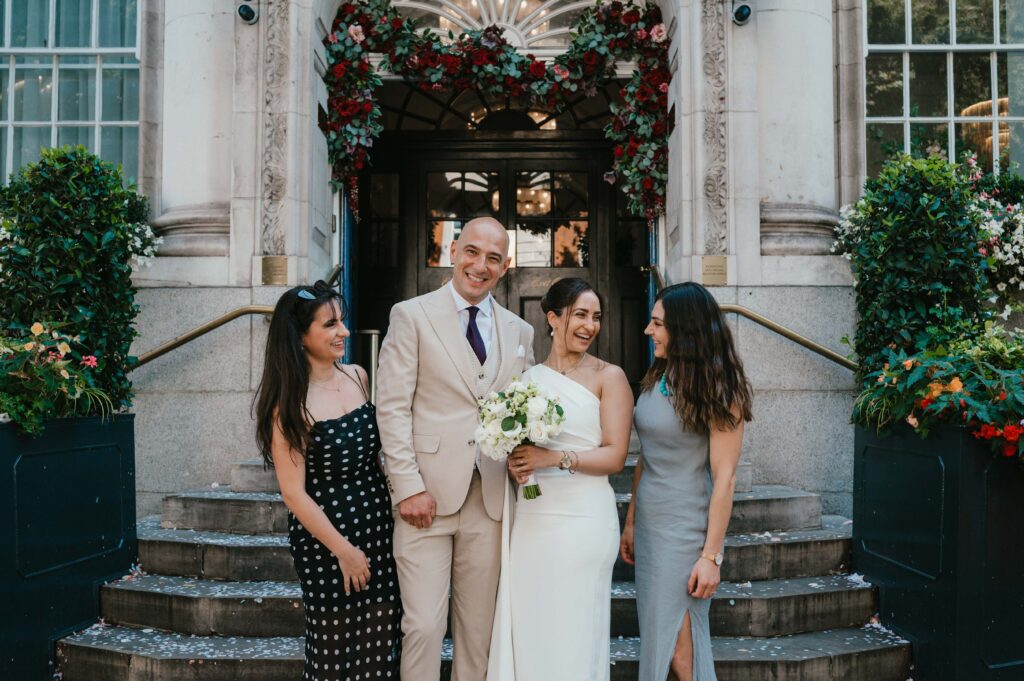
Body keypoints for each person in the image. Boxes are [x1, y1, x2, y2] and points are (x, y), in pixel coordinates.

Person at [376, 217, 535, 681]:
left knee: (477, 632)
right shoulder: (411, 315)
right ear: (453, 252)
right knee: (423, 625)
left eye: (492, 258)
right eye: (472, 252)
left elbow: (521, 411)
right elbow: (391, 407)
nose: (480, 266)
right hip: (424, 499)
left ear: (505, 266)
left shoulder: (520, 332)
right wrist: (406, 487)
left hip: (489, 500)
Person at [252, 281, 401, 680]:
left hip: (378, 529)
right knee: (334, 653)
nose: (344, 332)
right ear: (301, 336)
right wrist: (343, 551)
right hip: (327, 542)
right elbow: (293, 494)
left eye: (343, 322)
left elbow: (381, 456)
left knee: (380, 649)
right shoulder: (289, 405)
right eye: (331, 324)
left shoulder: (357, 376)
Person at [488, 277, 632, 681]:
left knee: (575, 631)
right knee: (535, 629)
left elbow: (615, 455)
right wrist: (521, 469)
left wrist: (553, 458)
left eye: (596, 317)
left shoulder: (610, 377)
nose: (590, 325)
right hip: (534, 521)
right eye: (580, 315)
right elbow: (525, 459)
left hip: (585, 520)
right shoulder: (528, 382)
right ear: (552, 318)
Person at [620, 282, 753, 681]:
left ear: (686, 329)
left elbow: (725, 478)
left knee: (680, 643)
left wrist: (711, 557)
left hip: (686, 529)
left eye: (657, 323)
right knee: (660, 633)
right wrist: (631, 522)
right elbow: (648, 455)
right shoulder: (660, 375)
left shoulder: (719, 389)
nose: (648, 330)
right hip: (650, 525)